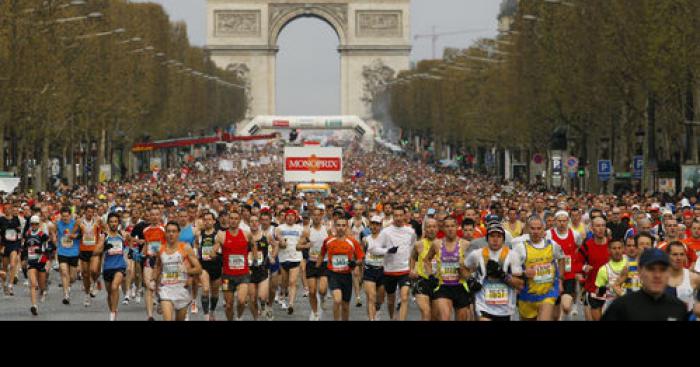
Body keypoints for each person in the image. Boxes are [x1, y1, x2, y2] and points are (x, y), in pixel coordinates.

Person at [602, 248, 688, 321]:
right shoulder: (622, 307)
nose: (657, 275)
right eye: (651, 269)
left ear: (669, 272)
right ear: (639, 271)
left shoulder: (678, 308)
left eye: (662, 269)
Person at [465, 223, 522, 321]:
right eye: (492, 236)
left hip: (506, 309)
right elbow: (463, 267)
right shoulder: (477, 254)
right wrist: (470, 279)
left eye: (499, 236)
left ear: (503, 239)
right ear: (487, 238)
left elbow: (520, 284)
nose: (495, 239)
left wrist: (503, 275)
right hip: (483, 305)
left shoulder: (512, 255)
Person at [511, 216, 564, 321]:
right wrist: (524, 273)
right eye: (532, 228)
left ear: (543, 229)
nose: (535, 231)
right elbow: (513, 271)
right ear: (527, 229)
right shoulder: (520, 247)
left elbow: (562, 259)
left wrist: (560, 280)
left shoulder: (552, 245)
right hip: (527, 296)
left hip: (548, 293)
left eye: (539, 228)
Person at [369, 206, 416, 321]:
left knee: (404, 297)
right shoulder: (386, 232)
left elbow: (412, 250)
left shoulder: (411, 232)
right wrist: (387, 251)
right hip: (389, 271)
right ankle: (392, 318)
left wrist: (412, 267)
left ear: (405, 216)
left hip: (404, 270)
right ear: (392, 217)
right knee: (391, 301)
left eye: (401, 215)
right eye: (396, 215)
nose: (398, 218)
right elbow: (374, 249)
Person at [424, 217, 472, 321]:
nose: (450, 229)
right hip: (443, 287)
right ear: (443, 228)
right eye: (447, 226)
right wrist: (430, 275)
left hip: (461, 287)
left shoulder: (466, 244)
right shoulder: (436, 244)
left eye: (452, 226)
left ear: (456, 227)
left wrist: (468, 275)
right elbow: (426, 260)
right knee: (444, 318)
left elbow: (473, 265)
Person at [153, 221, 202, 321]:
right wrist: (153, 281)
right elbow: (157, 267)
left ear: (178, 233)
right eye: (169, 231)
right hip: (166, 290)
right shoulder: (160, 249)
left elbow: (199, 269)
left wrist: (187, 270)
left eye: (174, 231)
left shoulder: (186, 248)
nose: (171, 234)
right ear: (165, 233)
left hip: (182, 291)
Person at [318, 217, 364, 321]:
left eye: (343, 226)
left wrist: (355, 263)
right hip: (333, 274)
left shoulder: (352, 242)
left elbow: (361, 258)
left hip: (346, 276)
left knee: (346, 306)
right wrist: (318, 268)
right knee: (337, 300)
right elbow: (321, 254)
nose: (340, 228)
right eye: (338, 225)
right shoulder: (328, 241)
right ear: (335, 227)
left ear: (347, 227)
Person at [217, 211, 256, 321]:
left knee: (241, 300)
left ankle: (239, 317)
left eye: (236, 218)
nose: (233, 220)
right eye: (231, 218)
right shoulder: (222, 235)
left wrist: (254, 258)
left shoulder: (246, 234)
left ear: (239, 220)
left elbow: (253, 244)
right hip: (226, 276)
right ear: (229, 220)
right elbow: (215, 247)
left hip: (243, 274)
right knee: (229, 305)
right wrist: (212, 253)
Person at [547, 211, 583, 320]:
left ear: (568, 221)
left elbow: (579, 247)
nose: (562, 223)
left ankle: (567, 310)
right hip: (553, 272)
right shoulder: (549, 234)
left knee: (567, 306)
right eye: (559, 221)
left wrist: (575, 262)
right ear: (555, 222)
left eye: (564, 221)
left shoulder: (575, 234)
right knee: (556, 303)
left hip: (569, 270)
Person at [94, 213, 127, 321]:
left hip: (120, 266)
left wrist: (131, 251)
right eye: (111, 221)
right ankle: (113, 310)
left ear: (118, 223)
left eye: (115, 221)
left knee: (114, 287)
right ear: (108, 223)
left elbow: (131, 241)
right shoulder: (104, 236)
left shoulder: (122, 234)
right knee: (109, 293)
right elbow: (95, 251)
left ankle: (112, 315)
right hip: (108, 267)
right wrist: (104, 247)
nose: (113, 223)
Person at [298, 207, 329, 321]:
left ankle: (323, 297)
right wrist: (304, 246)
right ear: (312, 217)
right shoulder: (307, 231)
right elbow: (297, 246)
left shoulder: (327, 230)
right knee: (311, 291)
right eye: (314, 215)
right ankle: (315, 313)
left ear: (321, 216)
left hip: (324, 263)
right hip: (311, 263)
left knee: (322, 289)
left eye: (318, 215)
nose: (316, 217)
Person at [577, 216, 610, 321]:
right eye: (598, 226)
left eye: (603, 226)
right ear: (592, 228)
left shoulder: (613, 244)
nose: (600, 228)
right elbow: (576, 264)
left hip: (611, 289)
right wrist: (584, 267)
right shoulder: (586, 246)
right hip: (593, 288)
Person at [72, 203, 102, 307]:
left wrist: (101, 243)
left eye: (92, 212)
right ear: (85, 212)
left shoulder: (98, 220)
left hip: (94, 250)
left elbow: (105, 230)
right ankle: (87, 295)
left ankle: (95, 283)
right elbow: (74, 233)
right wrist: (72, 236)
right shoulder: (79, 221)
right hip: (84, 250)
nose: (90, 214)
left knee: (93, 270)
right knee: (85, 274)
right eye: (88, 212)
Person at [409, 218, 439, 321]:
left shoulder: (443, 244)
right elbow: (413, 257)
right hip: (422, 280)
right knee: (426, 312)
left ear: (438, 229)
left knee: (435, 316)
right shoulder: (419, 244)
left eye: (434, 227)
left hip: (437, 282)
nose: (431, 229)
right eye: (429, 227)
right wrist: (411, 270)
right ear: (425, 229)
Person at [275, 210, 303, 315]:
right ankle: (282, 293)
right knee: (284, 282)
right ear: (285, 217)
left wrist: (303, 245)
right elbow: (277, 238)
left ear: (295, 218)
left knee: (292, 282)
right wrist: (281, 241)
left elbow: (305, 240)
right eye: (288, 216)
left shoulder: (300, 229)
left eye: (292, 216)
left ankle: (291, 304)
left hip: (295, 258)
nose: (290, 218)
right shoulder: (279, 228)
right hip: (283, 258)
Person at [591, 239, 627, 320]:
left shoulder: (630, 263)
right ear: (609, 250)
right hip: (611, 309)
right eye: (614, 248)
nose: (617, 251)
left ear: (623, 249)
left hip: (629, 306)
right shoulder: (603, 270)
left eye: (619, 248)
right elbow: (597, 296)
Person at [141, 208, 167, 320]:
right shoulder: (145, 230)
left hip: (161, 261)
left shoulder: (164, 229)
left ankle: (160, 299)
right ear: (149, 216)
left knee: (160, 286)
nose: (155, 217)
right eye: (152, 215)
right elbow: (146, 245)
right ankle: (150, 316)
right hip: (149, 259)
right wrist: (140, 254)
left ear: (160, 216)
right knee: (149, 286)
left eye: (157, 215)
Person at [24, 215, 53, 315]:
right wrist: (23, 259)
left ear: (39, 224)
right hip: (31, 262)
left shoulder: (42, 235)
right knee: (32, 284)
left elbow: (50, 248)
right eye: (32, 224)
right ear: (30, 224)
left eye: (36, 224)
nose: (34, 225)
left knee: (41, 285)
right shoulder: (27, 234)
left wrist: (40, 250)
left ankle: (43, 290)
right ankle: (34, 306)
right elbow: (24, 248)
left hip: (41, 261)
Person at [195, 212, 221, 321]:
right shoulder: (199, 234)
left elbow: (220, 248)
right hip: (204, 266)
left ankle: (212, 311)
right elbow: (196, 246)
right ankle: (206, 317)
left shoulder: (219, 234)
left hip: (216, 266)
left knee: (215, 293)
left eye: (210, 219)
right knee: (205, 289)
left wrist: (215, 252)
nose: (207, 221)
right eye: (205, 219)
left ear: (214, 221)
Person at [664, 241, 700, 314]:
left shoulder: (694, 278)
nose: (679, 258)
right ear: (667, 256)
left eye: (682, 254)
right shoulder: (658, 277)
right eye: (675, 254)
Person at [362, 215, 386, 321]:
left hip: (382, 270)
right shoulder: (365, 239)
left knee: (380, 298)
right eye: (373, 224)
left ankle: (378, 308)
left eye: (377, 224)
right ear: (370, 225)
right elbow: (361, 255)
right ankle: (372, 319)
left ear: (380, 226)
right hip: (369, 270)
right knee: (371, 297)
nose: (375, 226)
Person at [56, 206, 79, 304]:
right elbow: (51, 230)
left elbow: (82, 235)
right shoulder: (57, 224)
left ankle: (68, 285)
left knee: (73, 277)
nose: (65, 218)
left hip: (73, 252)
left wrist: (74, 236)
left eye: (67, 216)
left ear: (70, 216)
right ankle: (66, 295)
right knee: (64, 272)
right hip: (62, 252)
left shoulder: (75, 224)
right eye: (63, 216)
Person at [2, 203, 23, 296]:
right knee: (4, 268)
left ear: (11, 209)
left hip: (14, 244)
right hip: (5, 245)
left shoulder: (16, 219)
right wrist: (1, 246)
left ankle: (10, 286)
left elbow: (19, 232)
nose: (7, 210)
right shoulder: (1, 220)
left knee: (13, 264)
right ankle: (4, 285)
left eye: (8, 208)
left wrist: (19, 243)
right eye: (5, 208)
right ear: (3, 210)